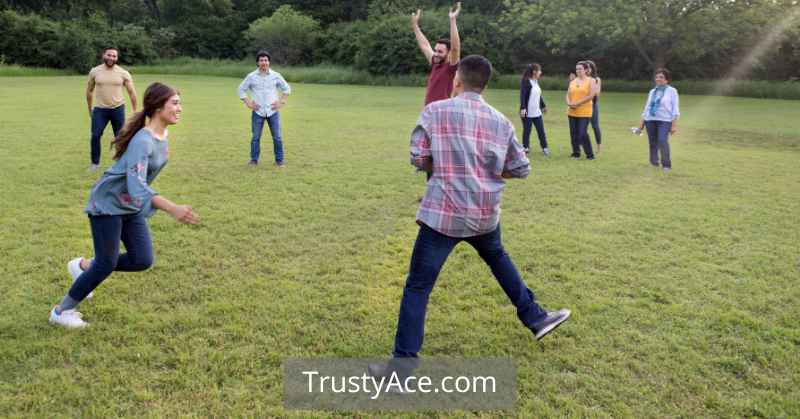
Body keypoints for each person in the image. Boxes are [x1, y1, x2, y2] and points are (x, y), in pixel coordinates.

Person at [385, 55, 571, 363]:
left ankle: (403, 366)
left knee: (418, 286)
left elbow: (418, 158)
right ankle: (535, 317)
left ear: (457, 79)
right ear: (485, 85)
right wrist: (489, 173)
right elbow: (521, 168)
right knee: (498, 258)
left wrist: (443, 164)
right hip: (484, 212)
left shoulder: (435, 111)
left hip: (443, 214)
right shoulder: (500, 121)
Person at [49, 83, 200, 328]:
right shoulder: (143, 141)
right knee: (106, 263)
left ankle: (83, 266)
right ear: (158, 106)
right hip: (107, 203)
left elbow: (137, 188)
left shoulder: (162, 135)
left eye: (179, 103)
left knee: (142, 259)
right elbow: (137, 186)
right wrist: (172, 207)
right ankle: (60, 311)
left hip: (130, 205)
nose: (179, 108)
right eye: (174, 103)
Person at [86, 47, 138, 172]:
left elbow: (132, 92)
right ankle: (94, 163)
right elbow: (89, 90)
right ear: (104, 55)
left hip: (117, 109)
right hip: (100, 110)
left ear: (117, 58)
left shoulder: (123, 73)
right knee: (95, 135)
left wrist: (135, 111)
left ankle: (121, 162)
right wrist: (90, 109)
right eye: (109, 55)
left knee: (120, 137)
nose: (111, 58)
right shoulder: (95, 71)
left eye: (114, 56)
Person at [237, 50, 291, 167]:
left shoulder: (276, 76)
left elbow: (287, 89)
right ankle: (254, 160)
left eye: (266, 60)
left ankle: (279, 160)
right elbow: (240, 89)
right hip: (258, 112)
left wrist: (281, 102)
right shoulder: (251, 76)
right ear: (257, 63)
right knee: (256, 137)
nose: (264, 62)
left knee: (277, 137)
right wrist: (248, 102)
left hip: (273, 112)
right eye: (261, 60)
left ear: (269, 62)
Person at [411, 2, 462, 106]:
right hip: (429, 110)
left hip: (441, 112)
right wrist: (415, 26)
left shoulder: (450, 68)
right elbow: (425, 45)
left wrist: (452, 20)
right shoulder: (436, 62)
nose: (436, 54)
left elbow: (455, 48)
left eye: (440, 52)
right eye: (436, 50)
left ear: (448, 54)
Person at [636, 68, 680, 172]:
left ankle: (666, 165)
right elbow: (647, 108)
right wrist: (641, 126)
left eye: (661, 77)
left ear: (667, 80)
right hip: (650, 120)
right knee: (652, 142)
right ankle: (654, 162)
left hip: (665, 120)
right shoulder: (652, 91)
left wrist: (674, 125)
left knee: (662, 140)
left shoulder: (672, 91)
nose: (658, 79)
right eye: (657, 77)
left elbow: (675, 109)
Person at [566, 61, 598, 160]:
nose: (578, 71)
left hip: (584, 112)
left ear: (585, 70)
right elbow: (568, 94)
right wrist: (569, 103)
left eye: (580, 69)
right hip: (572, 111)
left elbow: (591, 95)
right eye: (577, 69)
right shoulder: (573, 81)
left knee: (582, 133)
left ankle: (590, 154)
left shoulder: (591, 80)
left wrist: (577, 103)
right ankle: (576, 153)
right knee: (573, 133)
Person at [519, 63, 549, 156]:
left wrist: (543, 106)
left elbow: (538, 96)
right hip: (527, 112)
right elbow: (522, 95)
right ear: (534, 72)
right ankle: (525, 148)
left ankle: (544, 148)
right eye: (539, 70)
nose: (540, 72)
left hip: (537, 112)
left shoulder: (536, 81)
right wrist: (523, 108)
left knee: (541, 131)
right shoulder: (526, 81)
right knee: (527, 131)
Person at [585, 60, 602, 152]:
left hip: (593, 106)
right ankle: (581, 146)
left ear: (592, 68)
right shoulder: (581, 79)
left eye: (589, 67)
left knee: (595, 126)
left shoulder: (597, 79)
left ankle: (599, 146)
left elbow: (597, 94)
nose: (587, 69)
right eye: (586, 67)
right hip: (582, 106)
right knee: (583, 127)